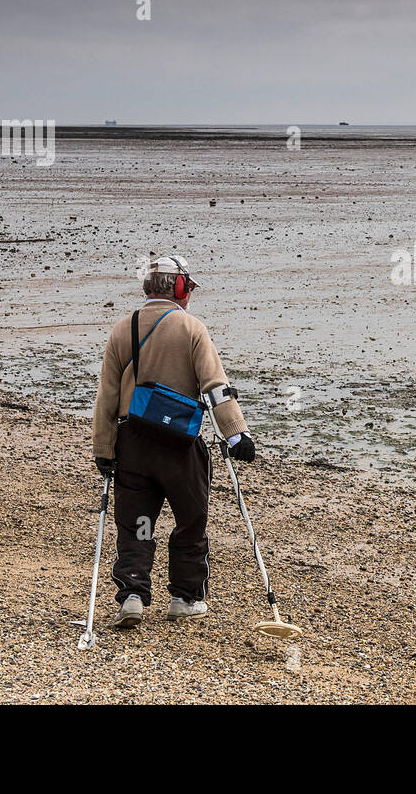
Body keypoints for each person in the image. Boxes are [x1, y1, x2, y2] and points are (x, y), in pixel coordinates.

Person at [91, 254, 256, 627]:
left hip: (132, 444)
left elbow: (107, 397)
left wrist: (103, 448)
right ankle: (184, 598)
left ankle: (133, 593)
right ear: (179, 288)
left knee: (138, 522)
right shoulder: (192, 329)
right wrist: (237, 435)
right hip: (180, 446)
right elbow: (216, 389)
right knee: (189, 522)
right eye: (188, 287)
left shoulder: (123, 328)